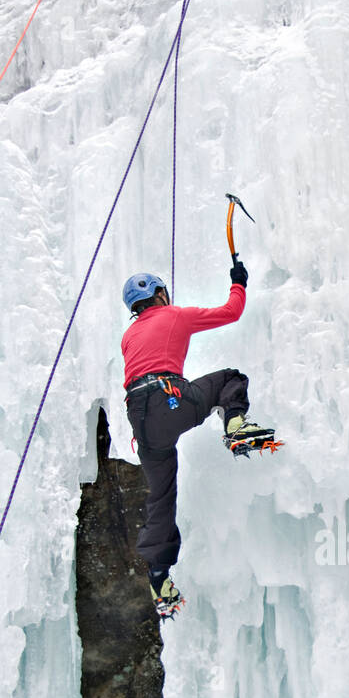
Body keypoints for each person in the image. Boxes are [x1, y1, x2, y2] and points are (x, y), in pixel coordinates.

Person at [121, 261, 272, 617]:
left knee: (161, 497)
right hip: (167, 399)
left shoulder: (128, 336)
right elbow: (231, 312)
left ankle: (159, 576)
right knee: (229, 380)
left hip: (141, 423)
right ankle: (235, 426)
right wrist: (238, 281)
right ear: (158, 294)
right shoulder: (173, 315)